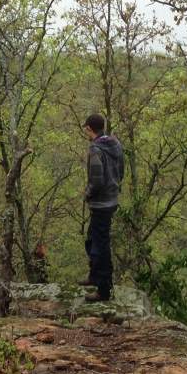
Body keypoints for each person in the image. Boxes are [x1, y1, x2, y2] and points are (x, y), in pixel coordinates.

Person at [81, 113, 124, 303]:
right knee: (92, 240)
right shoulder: (115, 144)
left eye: (86, 128)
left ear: (89, 128)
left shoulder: (95, 149)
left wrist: (87, 193)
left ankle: (103, 290)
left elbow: (96, 181)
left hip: (100, 204)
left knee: (100, 247)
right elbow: (121, 171)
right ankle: (94, 276)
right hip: (111, 200)